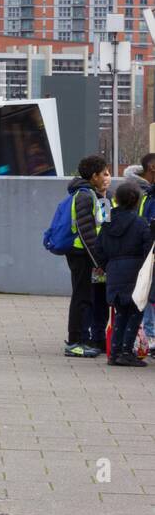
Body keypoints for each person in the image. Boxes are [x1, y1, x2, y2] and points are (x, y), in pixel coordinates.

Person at [99, 181, 152, 366]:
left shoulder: (107, 222)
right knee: (135, 313)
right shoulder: (140, 223)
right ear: (137, 200)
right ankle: (126, 352)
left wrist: (107, 266)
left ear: (116, 200)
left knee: (120, 313)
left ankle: (114, 353)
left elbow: (99, 248)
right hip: (135, 273)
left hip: (114, 271)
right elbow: (148, 250)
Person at [64, 155, 110, 358]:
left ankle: (80, 339)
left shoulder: (89, 193)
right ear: (94, 176)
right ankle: (75, 342)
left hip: (84, 254)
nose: (106, 177)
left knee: (85, 297)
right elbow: (86, 231)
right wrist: (97, 260)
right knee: (81, 298)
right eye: (104, 173)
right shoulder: (84, 195)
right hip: (80, 253)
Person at [125, 154, 155, 345]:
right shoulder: (143, 194)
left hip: (143, 251)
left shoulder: (147, 195)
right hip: (145, 252)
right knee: (147, 292)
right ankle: (148, 335)